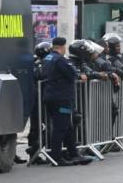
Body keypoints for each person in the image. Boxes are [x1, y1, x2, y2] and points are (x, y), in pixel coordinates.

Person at [42, 37, 92, 167]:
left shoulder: (48, 58)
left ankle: (74, 154)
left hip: (52, 96)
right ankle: (56, 158)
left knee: (67, 127)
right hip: (61, 98)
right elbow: (72, 73)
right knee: (61, 127)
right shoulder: (60, 59)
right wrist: (79, 74)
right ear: (63, 46)